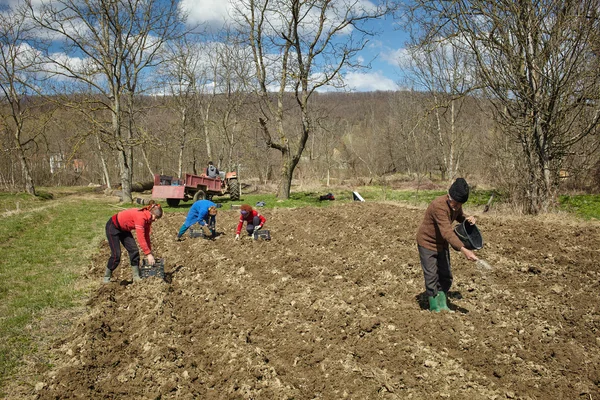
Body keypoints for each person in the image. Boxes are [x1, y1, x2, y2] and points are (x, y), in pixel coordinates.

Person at [416, 178, 478, 312]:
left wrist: (468, 218)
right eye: (454, 203)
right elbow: (447, 232)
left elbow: (459, 216)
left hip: (441, 244)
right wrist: (464, 249)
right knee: (431, 274)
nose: (456, 207)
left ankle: (443, 303)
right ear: (449, 196)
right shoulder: (439, 206)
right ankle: (434, 305)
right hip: (427, 242)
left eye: (459, 204)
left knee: (446, 274)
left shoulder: (456, 205)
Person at [104, 200, 163, 283]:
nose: (156, 220)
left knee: (134, 250)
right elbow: (141, 237)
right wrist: (148, 254)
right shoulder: (141, 218)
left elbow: (146, 236)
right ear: (152, 213)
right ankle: (107, 277)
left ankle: (136, 276)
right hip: (113, 226)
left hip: (124, 229)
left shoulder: (148, 220)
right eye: (156, 217)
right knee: (116, 255)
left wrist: (149, 252)